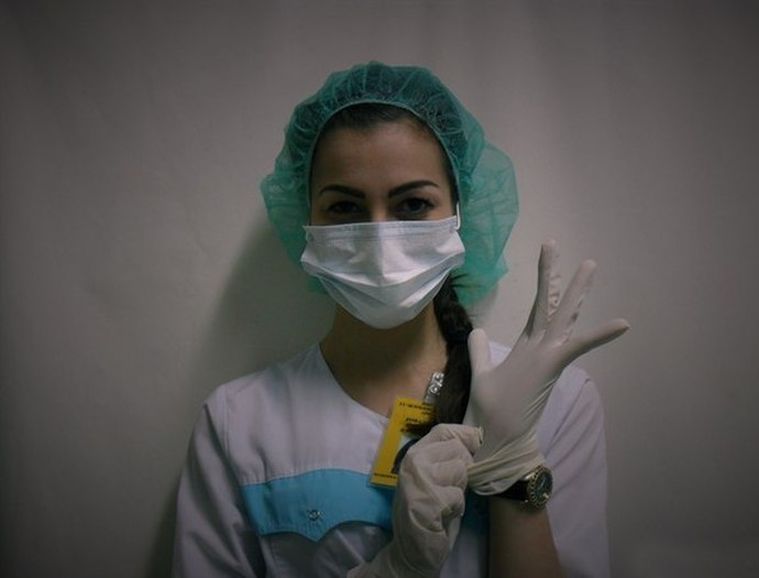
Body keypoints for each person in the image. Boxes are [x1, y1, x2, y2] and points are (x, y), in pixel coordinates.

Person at [172, 61, 629, 578]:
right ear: (306, 220)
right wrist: (393, 570)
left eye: (413, 203)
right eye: (345, 207)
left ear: (461, 213)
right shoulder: (239, 424)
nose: (379, 237)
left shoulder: (555, 403)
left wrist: (514, 469)